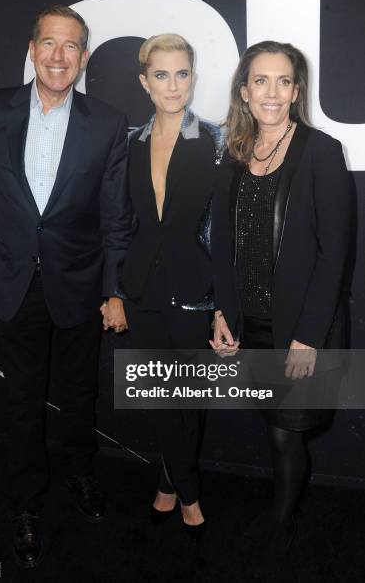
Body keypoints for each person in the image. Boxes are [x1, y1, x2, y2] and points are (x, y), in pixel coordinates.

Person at [0, 5, 130, 568]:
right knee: (23, 404)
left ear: (84, 57)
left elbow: (116, 216)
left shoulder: (108, 122)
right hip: (15, 280)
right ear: (31, 49)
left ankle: (79, 474)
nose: (57, 56)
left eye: (70, 46)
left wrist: (114, 288)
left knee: (78, 397)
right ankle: (25, 505)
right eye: (48, 43)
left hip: (80, 280)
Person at [211, 41, 352, 572]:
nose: (272, 92)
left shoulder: (320, 150)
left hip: (299, 329)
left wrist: (309, 336)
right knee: (272, 423)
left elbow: (334, 252)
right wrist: (223, 313)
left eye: (284, 81)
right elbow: (223, 245)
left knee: (283, 429)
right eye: (261, 81)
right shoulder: (232, 154)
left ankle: (282, 519)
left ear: (297, 91)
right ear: (244, 91)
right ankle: (283, 508)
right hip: (252, 324)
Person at [103, 34, 224, 540]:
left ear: (193, 79)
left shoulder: (218, 140)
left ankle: (178, 488)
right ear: (144, 82)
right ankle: (180, 486)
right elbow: (117, 222)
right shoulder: (129, 142)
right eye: (161, 75)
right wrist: (113, 291)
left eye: (181, 74)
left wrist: (223, 307)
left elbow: (224, 230)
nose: (172, 85)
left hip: (196, 291)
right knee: (160, 395)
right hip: (141, 291)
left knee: (187, 398)